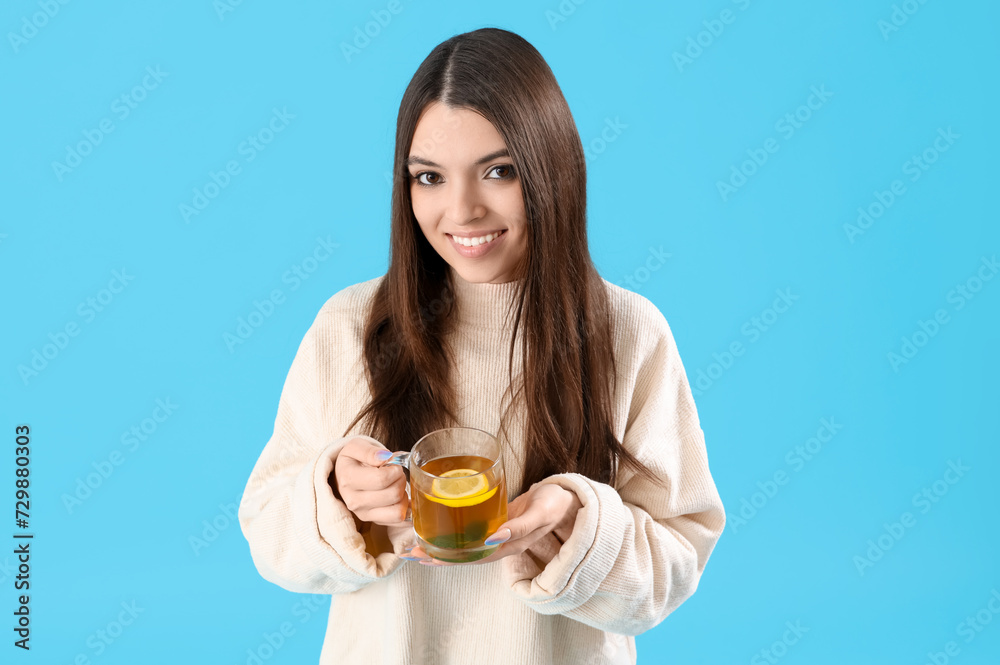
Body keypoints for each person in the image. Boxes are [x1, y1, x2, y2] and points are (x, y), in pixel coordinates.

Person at [239, 27, 726, 665]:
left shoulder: (628, 333)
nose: (462, 210)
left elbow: (677, 560)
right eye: (429, 177)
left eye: (499, 171)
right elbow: (267, 531)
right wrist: (336, 494)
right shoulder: (350, 326)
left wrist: (582, 528)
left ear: (552, 167)